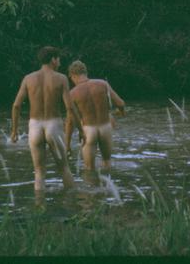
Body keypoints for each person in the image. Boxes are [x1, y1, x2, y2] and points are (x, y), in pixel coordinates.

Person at [10, 46, 75, 192]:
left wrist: (14, 131)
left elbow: (16, 106)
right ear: (53, 59)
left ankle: (39, 207)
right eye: (58, 59)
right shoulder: (61, 78)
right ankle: (73, 203)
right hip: (54, 125)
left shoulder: (28, 78)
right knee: (64, 168)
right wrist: (81, 131)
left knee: (39, 172)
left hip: (34, 126)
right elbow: (70, 108)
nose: (60, 62)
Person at [64, 60, 126, 172]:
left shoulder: (72, 93)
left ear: (72, 76)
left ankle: (92, 187)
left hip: (89, 131)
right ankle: (108, 188)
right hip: (105, 128)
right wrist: (121, 112)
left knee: (89, 169)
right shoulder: (102, 84)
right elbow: (120, 103)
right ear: (85, 72)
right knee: (107, 163)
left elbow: (69, 122)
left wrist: (67, 145)